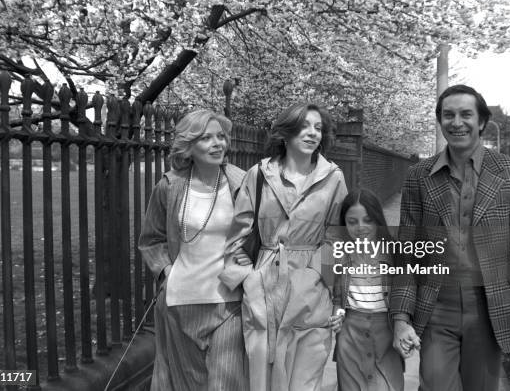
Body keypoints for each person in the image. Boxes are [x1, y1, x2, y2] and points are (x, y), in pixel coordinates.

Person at [389, 84, 510, 391]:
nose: (456, 122)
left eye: (465, 114)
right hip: (435, 305)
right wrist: (400, 316)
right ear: (440, 120)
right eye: (448, 115)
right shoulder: (419, 176)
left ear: (482, 121)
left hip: (490, 308)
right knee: (435, 385)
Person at [219, 103, 348, 391]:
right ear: (286, 133)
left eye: (318, 127)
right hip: (263, 285)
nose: (312, 133)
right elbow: (236, 236)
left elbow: (337, 237)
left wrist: (317, 278)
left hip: (311, 289)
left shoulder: (334, 177)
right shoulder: (260, 175)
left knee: (305, 379)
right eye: (304, 126)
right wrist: (249, 278)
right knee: (261, 378)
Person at [139, 109, 248, 391]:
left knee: (227, 382)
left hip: (229, 302)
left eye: (221, 137)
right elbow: (151, 239)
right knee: (189, 384)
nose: (217, 143)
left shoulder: (243, 183)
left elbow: (263, 230)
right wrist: (166, 271)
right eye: (206, 138)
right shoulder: (169, 186)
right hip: (180, 301)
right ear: (189, 146)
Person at [332, 189, 404, 391]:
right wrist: (337, 314)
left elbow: (405, 294)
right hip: (350, 335)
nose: (360, 227)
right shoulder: (340, 254)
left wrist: (405, 325)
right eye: (352, 222)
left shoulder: (395, 252)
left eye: (368, 220)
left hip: (386, 334)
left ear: (378, 220)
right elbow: (338, 298)